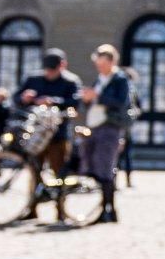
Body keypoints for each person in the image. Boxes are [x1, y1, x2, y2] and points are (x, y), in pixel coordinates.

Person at [79, 44, 131, 223]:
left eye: (102, 64)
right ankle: (105, 209)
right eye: (98, 64)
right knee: (94, 167)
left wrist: (97, 97)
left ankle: (108, 210)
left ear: (112, 61)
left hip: (109, 128)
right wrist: (87, 99)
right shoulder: (100, 79)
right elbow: (91, 103)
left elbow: (121, 102)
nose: (99, 67)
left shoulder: (119, 79)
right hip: (94, 126)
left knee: (105, 169)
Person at [16, 49, 83, 182]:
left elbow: (75, 102)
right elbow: (16, 98)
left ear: (62, 65)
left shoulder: (71, 81)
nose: (50, 72)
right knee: (34, 169)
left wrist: (53, 101)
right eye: (47, 69)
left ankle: (59, 199)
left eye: (53, 69)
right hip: (35, 132)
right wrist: (24, 98)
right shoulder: (34, 79)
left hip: (58, 133)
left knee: (59, 170)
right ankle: (34, 198)